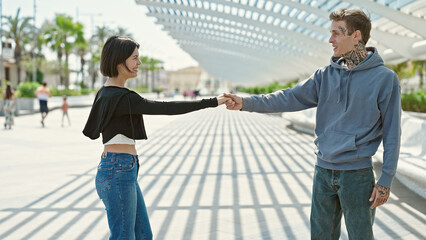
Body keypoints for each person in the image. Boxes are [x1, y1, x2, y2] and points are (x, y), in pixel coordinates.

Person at [224, 8, 401, 240]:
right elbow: (288, 97)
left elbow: (392, 133)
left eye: (337, 33)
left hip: (357, 175)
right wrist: (246, 102)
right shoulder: (324, 75)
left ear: (356, 35)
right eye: (331, 33)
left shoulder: (384, 79)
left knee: (361, 236)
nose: (330, 40)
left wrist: (386, 180)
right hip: (323, 171)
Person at [82, 36, 229, 240]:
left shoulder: (106, 94)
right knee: (125, 236)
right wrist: (213, 102)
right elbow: (167, 108)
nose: (139, 63)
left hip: (119, 168)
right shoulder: (122, 98)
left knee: (143, 235)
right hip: (118, 170)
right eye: (134, 58)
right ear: (119, 60)